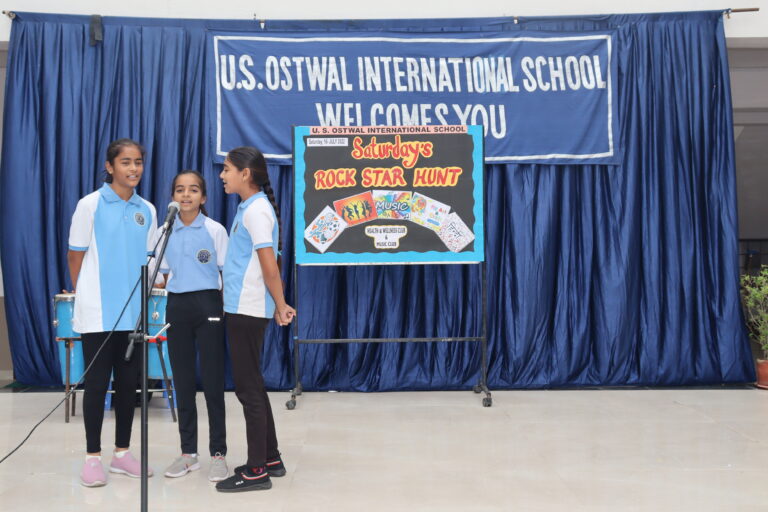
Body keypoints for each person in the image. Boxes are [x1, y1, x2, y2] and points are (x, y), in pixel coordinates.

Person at [67, 138, 157, 487]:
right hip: (98, 314)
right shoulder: (89, 205)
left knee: (128, 386)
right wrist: (89, 293)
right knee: (97, 385)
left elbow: (151, 262)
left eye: (138, 162)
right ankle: (92, 457)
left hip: (134, 315)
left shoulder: (147, 210)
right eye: (125, 162)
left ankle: (122, 454)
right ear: (109, 167)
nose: (133, 168)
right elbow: (75, 256)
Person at [214, 146, 296, 493]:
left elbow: (269, 266)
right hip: (242, 306)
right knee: (254, 386)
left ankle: (257, 470)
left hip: (246, 308)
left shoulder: (257, 211)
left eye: (227, 169)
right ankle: (271, 458)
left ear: (245, 173)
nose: (222, 175)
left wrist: (280, 304)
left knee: (248, 390)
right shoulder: (250, 207)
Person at [158, 170, 230, 482]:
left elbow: (226, 273)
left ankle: (218, 454)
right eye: (179, 190)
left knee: (213, 381)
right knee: (183, 381)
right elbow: (161, 274)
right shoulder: (164, 231)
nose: (186, 195)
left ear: (203, 197)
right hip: (177, 305)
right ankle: (188, 453)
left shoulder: (215, 230)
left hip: (208, 304)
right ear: (172, 196)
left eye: (193, 190)